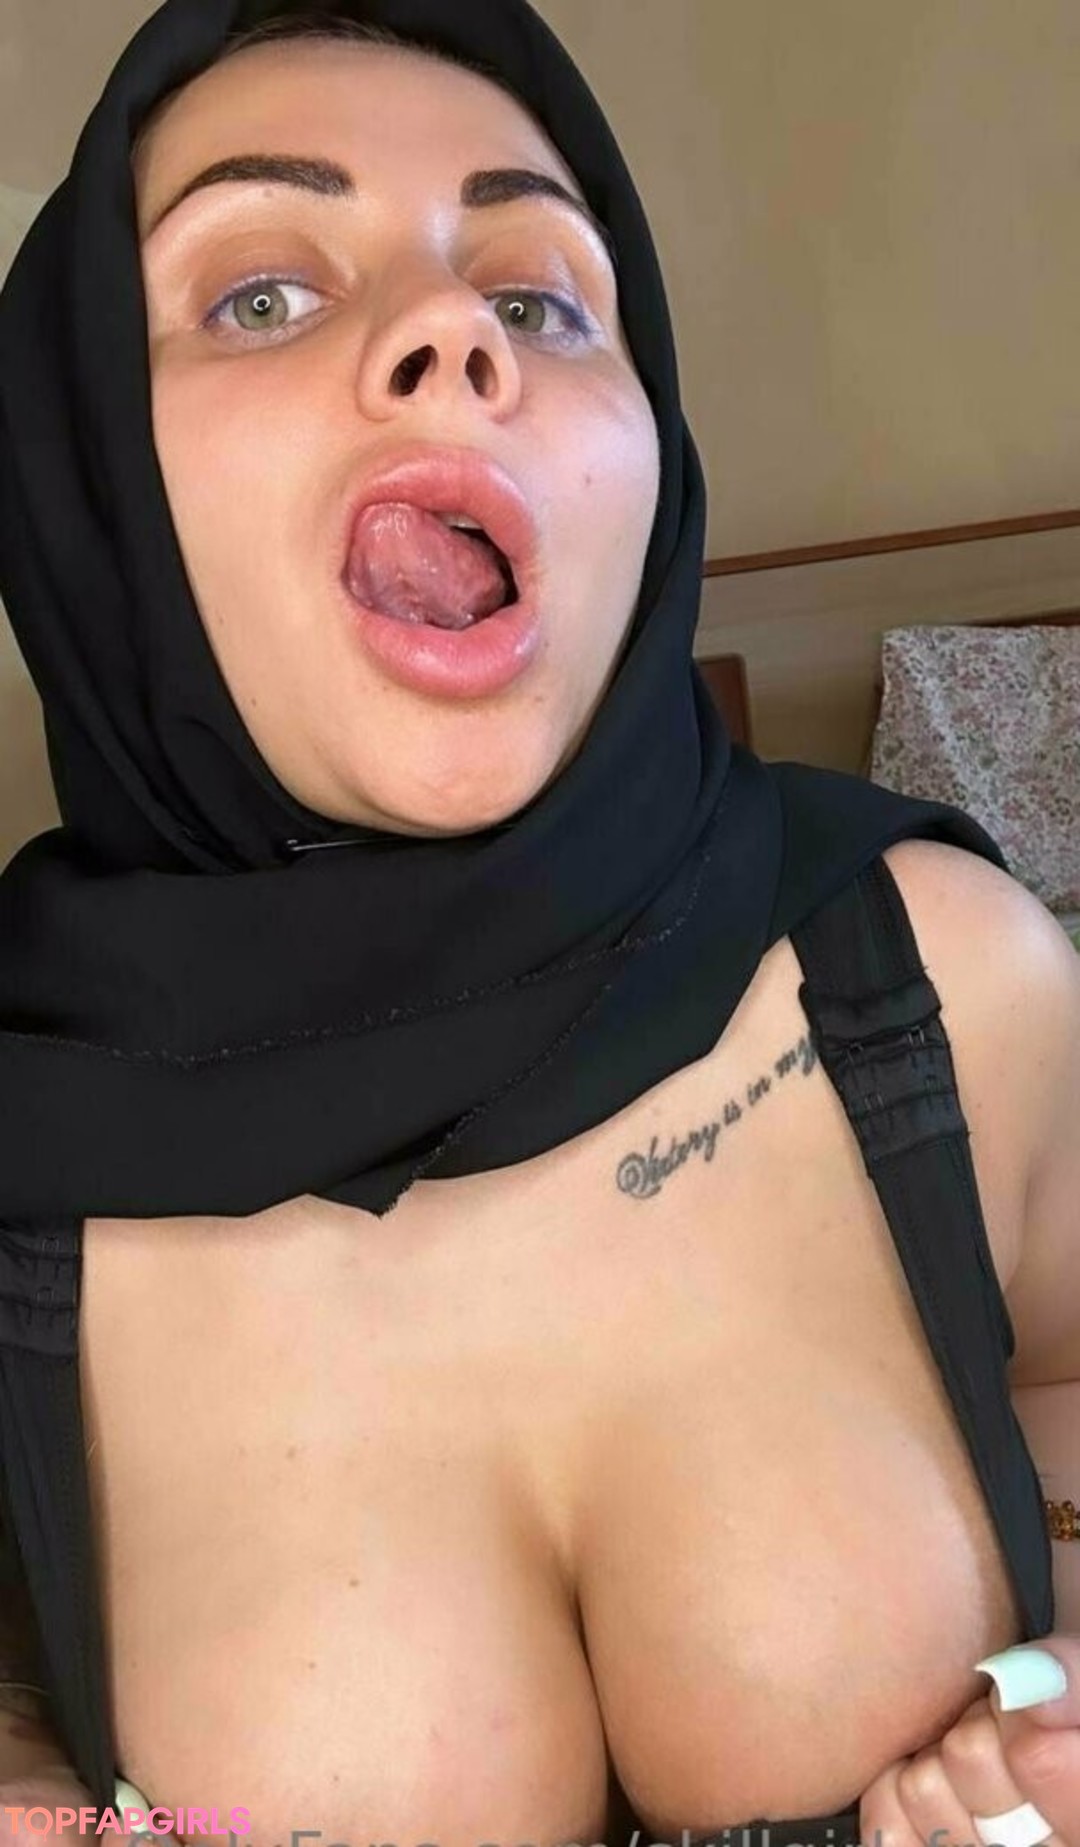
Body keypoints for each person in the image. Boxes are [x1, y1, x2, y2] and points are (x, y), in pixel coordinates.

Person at [0, 4, 1077, 1845]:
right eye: (261, 292)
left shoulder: (944, 966)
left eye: (541, 294)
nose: (455, 331)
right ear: (84, 469)